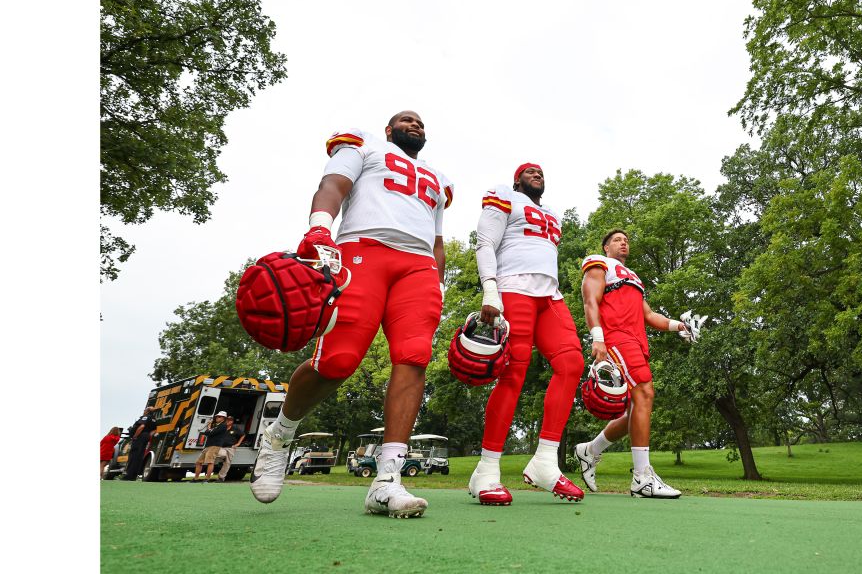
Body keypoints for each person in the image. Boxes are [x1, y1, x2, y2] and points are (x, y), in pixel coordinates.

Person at [250, 110, 451, 519]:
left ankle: (387, 481)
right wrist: (320, 228)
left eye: (421, 124)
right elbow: (332, 184)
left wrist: (439, 282)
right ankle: (279, 433)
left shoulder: (438, 178)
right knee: (338, 362)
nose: (416, 126)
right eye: (407, 120)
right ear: (388, 128)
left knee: (414, 356)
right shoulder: (363, 143)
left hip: (417, 266)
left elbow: (437, 239)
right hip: (362, 250)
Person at [468, 163, 586, 505]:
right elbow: (486, 242)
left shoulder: (552, 214)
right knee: (513, 372)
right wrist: (490, 291)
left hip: (549, 294)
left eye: (541, 172)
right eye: (530, 171)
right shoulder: (504, 196)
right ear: (516, 179)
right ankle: (487, 469)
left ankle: (545, 462)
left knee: (571, 363)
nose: (538, 174)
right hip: (513, 286)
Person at [572, 229, 694, 499]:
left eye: (626, 240)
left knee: (633, 412)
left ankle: (590, 450)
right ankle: (642, 478)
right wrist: (597, 338)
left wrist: (679, 326)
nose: (623, 242)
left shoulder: (634, 278)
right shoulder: (599, 263)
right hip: (616, 338)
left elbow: (649, 315)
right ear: (605, 247)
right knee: (645, 393)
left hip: (637, 342)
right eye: (617, 240)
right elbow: (590, 299)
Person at [121, 406, 159, 481]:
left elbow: (142, 426)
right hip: (145, 437)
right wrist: (148, 436)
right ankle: (134, 475)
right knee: (139, 456)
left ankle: (129, 475)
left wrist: (135, 436)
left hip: (140, 437)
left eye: (145, 410)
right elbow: (154, 430)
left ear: (147, 411)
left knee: (134, 456)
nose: (144, 411)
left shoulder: (145, 417)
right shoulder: (154, 419)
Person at [194, 412, 230, 482]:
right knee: (198, 462)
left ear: (223, 418)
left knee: (210, 462)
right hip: (208, 445)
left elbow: (211, 433)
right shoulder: (216, 425)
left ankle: (207, 479)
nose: (217, 418)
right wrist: (209, 429)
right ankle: (195, 478)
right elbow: (207, 433)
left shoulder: (223, 426)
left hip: (214, 445)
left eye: (219, 417)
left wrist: (209, 428)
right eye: (217, 416)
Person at [216, 416, 246, 482]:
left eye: (228, 420)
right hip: (221, 447)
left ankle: (221, 477)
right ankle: (223, 458)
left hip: (230, 448)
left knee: (227, 463)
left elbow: (243, 435)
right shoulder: (222, 427)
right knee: (221, 455)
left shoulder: (235, 428)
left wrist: (238, 444)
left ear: (231, 421)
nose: (227, 421)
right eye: (226, 420)